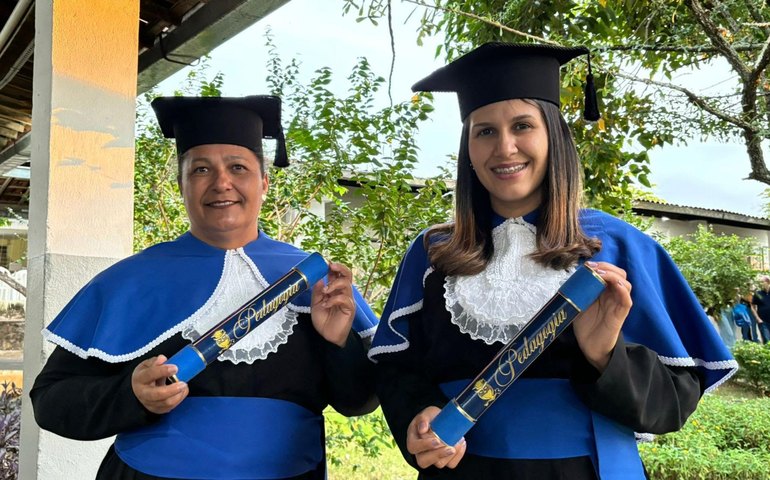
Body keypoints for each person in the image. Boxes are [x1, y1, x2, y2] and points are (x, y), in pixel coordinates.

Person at [369, 43, 737, 479]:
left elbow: (672, 405)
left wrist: (604, 355)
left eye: (522, 126)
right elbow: (398, 373)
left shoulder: (618, 247)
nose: (504, 147)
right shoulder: (433, 254)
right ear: (467, 148)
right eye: (484, 131)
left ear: (554, 136)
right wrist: (417, 418)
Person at [30, 95, 379, 480]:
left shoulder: (314, 281)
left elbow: (358, 400)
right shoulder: (131, 280)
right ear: (181, 184)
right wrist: (131, 395)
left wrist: (338, 343)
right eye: (200, 169)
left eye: (238, 167)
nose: (221, 183)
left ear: (263, 183)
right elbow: (50, 400)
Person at [751, 275, 770, 343]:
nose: (760, 284)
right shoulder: (758, 294)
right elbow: (752, 306)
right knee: (767, 341)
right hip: (763, 322)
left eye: (762, 282)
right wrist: (758, 319)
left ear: (768, 282)